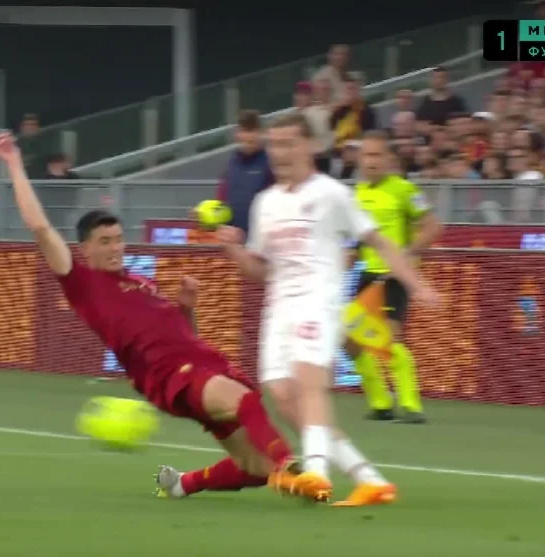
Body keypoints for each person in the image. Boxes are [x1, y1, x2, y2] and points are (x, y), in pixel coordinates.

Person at [0, 131, 323, 502]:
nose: (115, 248)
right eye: (104, 242)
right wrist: (14, 163)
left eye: (118, 239)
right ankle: (291, 467)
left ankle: (181, 484)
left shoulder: (142, 282)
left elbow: (186, 335)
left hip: (199, 364)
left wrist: (187, 308)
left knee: (255, 467)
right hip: (169, 375)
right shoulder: (81, 282)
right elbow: (40, 227)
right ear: (85, 249)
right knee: (244, 402)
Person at [162, 113, 439, 506]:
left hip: (319, 298)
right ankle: (369, 479)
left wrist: (415, 283)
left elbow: (379, 242)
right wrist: (233, 248)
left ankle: (317, 474)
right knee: (284, 397)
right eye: (274, 144)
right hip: (279, 307)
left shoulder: (332, 193)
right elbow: (260, 271)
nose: (280, 152)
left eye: (289, 143)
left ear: (309, 145)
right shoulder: (266, 203)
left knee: (310, 381)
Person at [347, 131, 443, 424]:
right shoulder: (356, 194)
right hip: (367, 274)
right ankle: (380, 403)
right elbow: (356, 241)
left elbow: (432, 226)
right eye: (366, 155)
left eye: (377, 155)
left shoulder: (404, 190)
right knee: (350, 341)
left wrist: (406, 254)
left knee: (390, 337)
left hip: (394, 276)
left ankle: (411, 405)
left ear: (389, 158)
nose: (371, 161)